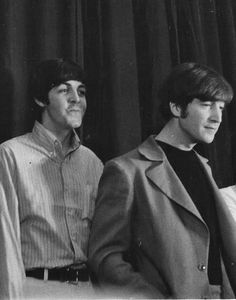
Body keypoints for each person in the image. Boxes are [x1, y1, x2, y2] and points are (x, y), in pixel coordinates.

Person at [88, 62, 236, 299]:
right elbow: (106, 256)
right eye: (207, 105)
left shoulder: (204, 167)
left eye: (221, 107)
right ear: (177, 107)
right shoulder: (126, 170)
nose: (217, 117)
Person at [0, 58, 103, 298]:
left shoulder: (92, 162)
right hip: (35, 290)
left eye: (82, 91)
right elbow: (4, 245)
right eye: (64, 90)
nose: (76, 99)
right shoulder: (10, 155)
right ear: (40, 99)